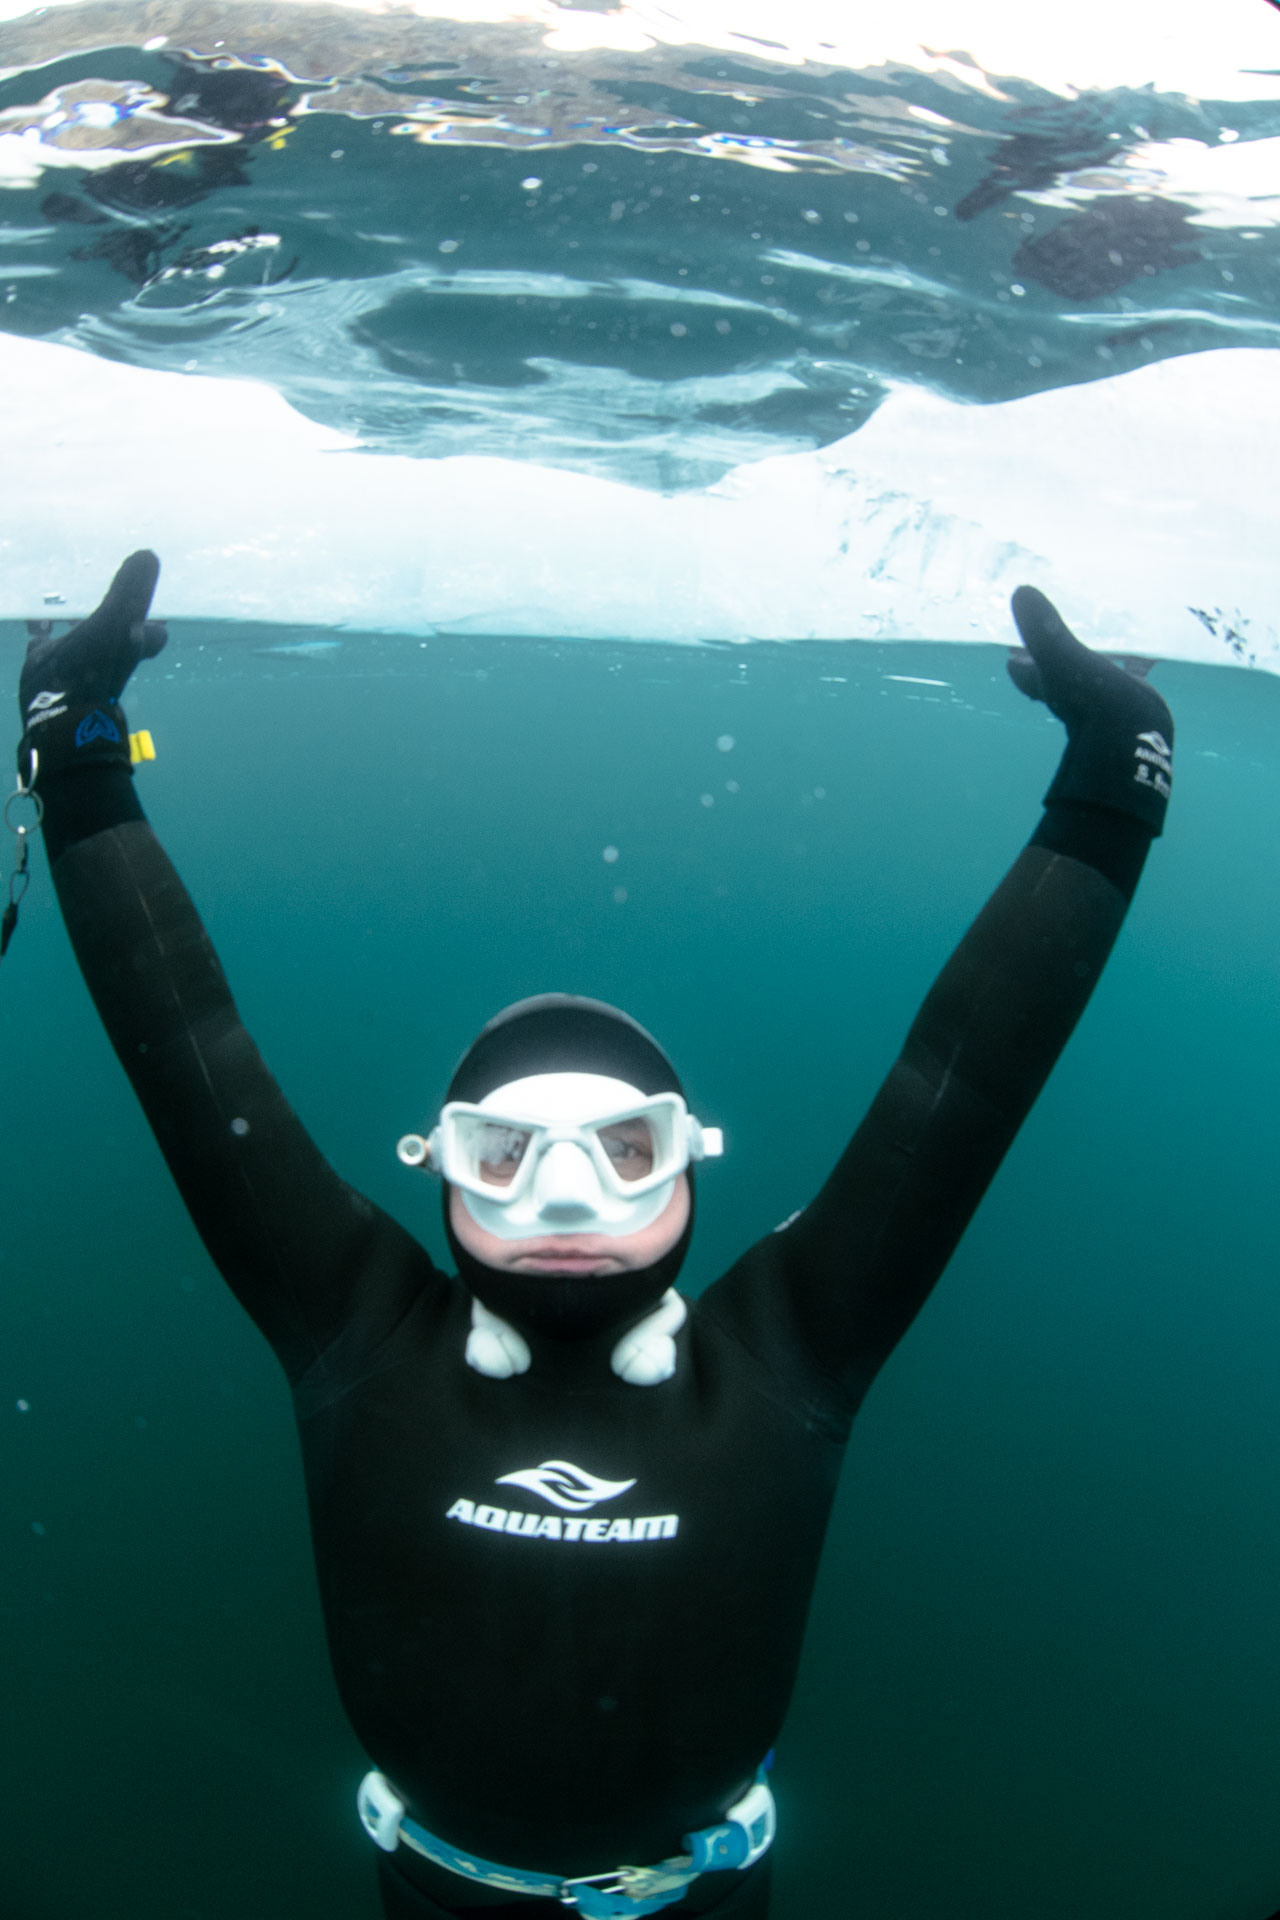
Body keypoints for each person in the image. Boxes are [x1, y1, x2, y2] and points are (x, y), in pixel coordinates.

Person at [14, 550, 1174, 1919]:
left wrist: (1118, 783)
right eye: (504, 1156)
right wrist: (75, 754)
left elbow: (961, 1085)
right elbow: (189, 1050)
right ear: (441, 1176)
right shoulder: (353, 1320)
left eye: (626, 1151)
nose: (564, 1201)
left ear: (694, 1168)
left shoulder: (794, 1343)